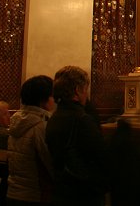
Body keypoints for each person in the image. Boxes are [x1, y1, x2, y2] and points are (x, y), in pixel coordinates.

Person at [45, 66, 107, 206]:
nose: (86, 94)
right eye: (85, 89)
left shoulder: (54, 117)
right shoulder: (82, 119)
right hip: (83, 193)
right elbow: (100, 156)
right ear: (78, 90)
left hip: (62, 189)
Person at [7, 75, 54, 205]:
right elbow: (48, 161)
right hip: (34, 194)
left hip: (13, 190)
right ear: (43, 99)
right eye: (52, 95)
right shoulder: (40, 126)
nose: (54, 100)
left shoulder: (17, 121)